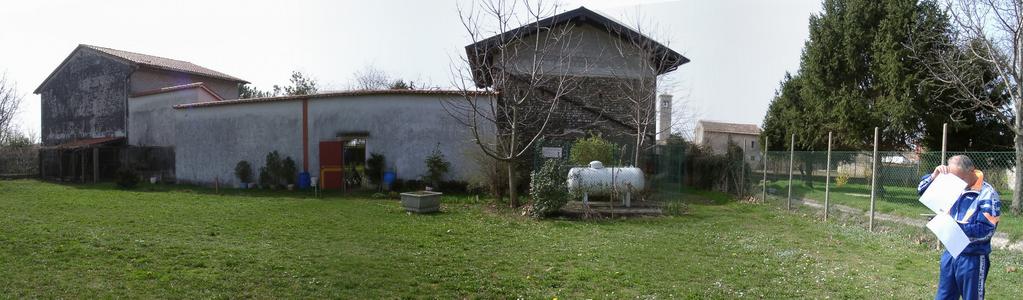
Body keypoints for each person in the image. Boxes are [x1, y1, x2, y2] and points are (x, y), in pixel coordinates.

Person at [917, 155, 1002, 300]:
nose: (957, 184)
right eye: (953, 179)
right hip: (950, 253)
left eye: (961, 179)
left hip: (973, 258)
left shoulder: (988, 193)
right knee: (944, 296)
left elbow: (987, 230)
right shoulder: (951, 182)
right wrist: (934, 175)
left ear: (971, 171)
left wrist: (954, 228)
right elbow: (921, 190)